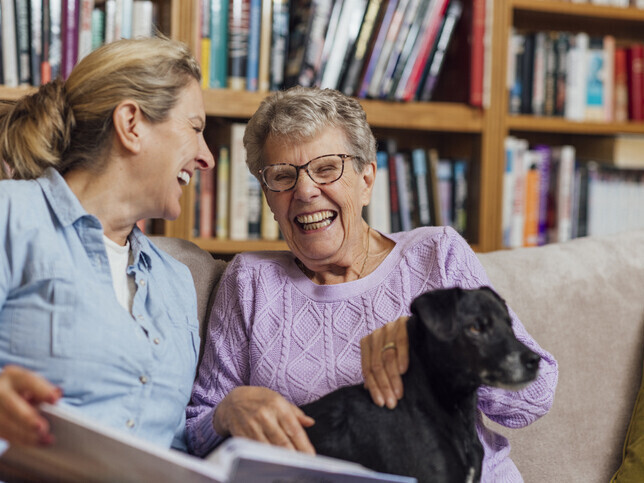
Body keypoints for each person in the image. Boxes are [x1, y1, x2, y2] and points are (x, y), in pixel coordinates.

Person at [186, 86, 558, 481]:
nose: (306, 190)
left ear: (367, 180)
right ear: (269, 197)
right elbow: (196, 433)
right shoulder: (249, 281)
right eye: (283, 176)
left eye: (326, 168)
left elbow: (533, 399)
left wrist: (435, 347)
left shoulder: (437, 254)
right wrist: (229, 412)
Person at [0, 36, 214, 451]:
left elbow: (173, 443)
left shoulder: (178, 282)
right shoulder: (12, 215)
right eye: (195, 128)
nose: (207, 157)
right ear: (131, 124)